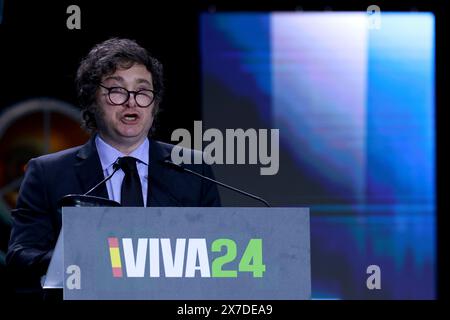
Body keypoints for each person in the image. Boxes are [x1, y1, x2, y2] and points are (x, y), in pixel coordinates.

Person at [6, 38, 221, 298]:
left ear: (154, 104)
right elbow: (20, 257)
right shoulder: (47, 173)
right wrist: (75, 259)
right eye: (117, 91)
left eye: (142, 92)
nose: (131, 102)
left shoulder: (192, 169)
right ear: (91, 100)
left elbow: (215, 256)